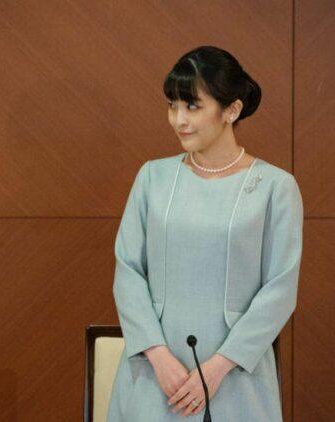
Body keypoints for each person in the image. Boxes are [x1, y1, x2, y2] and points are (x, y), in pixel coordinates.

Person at [107, 46, 303, 421]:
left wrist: (216, 368)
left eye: (192, 106)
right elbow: (128, 270)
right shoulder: (152, 177)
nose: (179, 120)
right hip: (156, 374)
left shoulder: (275, 187)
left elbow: (280, 289)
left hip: (236, 376)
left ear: (232, 110)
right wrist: (158, 356)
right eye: (172, 106)